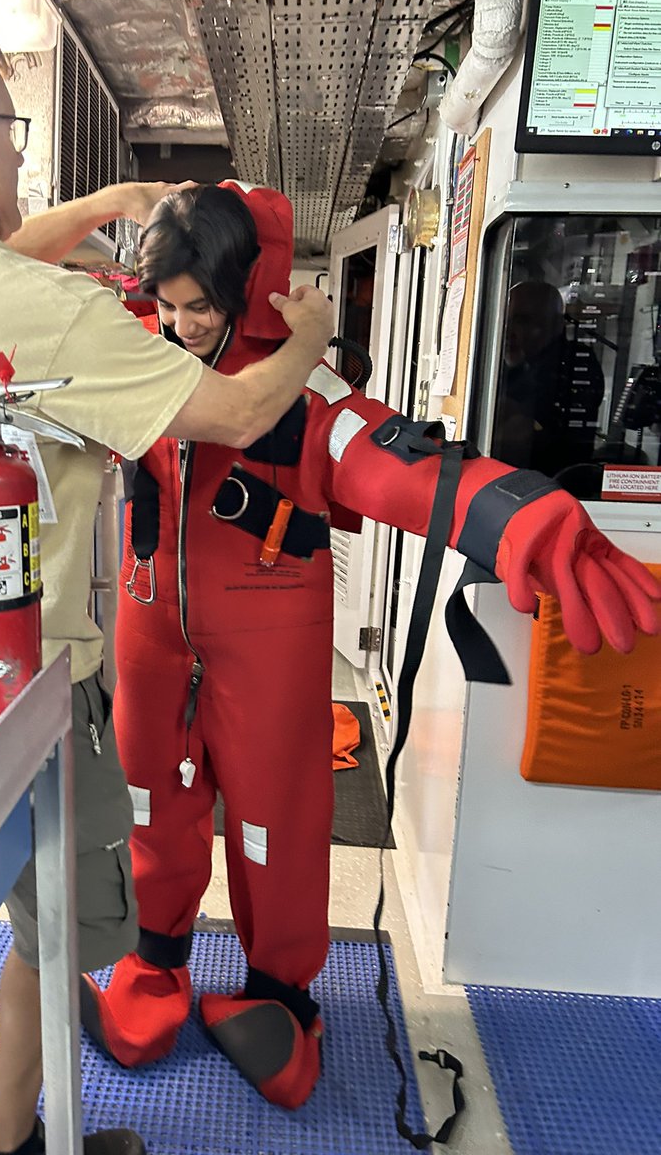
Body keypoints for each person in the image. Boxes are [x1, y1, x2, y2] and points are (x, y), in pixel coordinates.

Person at [0, 16, 334, 1155]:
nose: (17, 153)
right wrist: (308, 342)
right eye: (8, 130)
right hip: (27, 694)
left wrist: (105, 209)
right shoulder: (48, 316)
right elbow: (245, 412)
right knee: (53, 925)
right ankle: (15, 1141)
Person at [77, 182, 661, 1110]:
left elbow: (403, 466)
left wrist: (522, 517)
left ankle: (277, 1000)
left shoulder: (309, 398)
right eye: (170, 306)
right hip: (153, 653)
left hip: (267, 663)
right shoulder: (135, 364)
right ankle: (155, 968)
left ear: (249, 291)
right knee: (152, 810)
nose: (183, 327)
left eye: (202, 308)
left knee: (278, 833)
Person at [493, 280, 605, 477]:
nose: (509, 331)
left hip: (558, 482)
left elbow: (523, 434)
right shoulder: (508, 365)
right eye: (505, 320)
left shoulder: (575, 363)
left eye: (522, 321)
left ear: (554, 324)